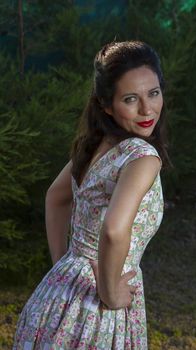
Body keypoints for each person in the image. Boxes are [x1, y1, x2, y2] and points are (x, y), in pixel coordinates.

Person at [13, 40, 171, 349]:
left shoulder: (97, 145)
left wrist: (64, 265)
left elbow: (55, 197)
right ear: (106, 104)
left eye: (153, 93)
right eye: (130, 99)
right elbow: (114, 230)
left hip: (59, 294)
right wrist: (110, 293)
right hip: (97, 308)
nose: (147, 109)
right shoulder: (142, 157)